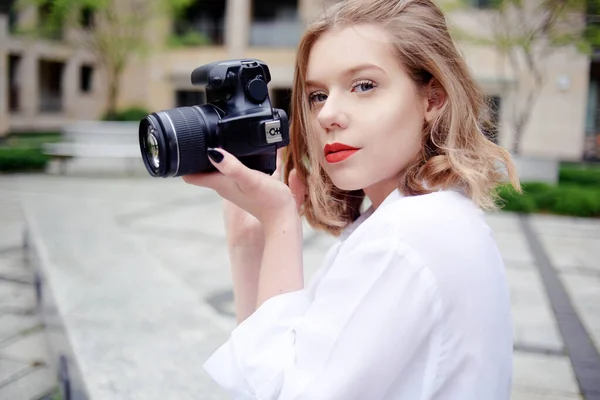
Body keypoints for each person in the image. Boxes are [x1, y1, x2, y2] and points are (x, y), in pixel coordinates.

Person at [183, 0, 521, 398]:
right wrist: (248, 245)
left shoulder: (406, 236)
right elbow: (270, 376)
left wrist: (280, 224)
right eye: (317, 95)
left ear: (433, 99)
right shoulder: (419, 219)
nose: (328, 115)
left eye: (364, 85)